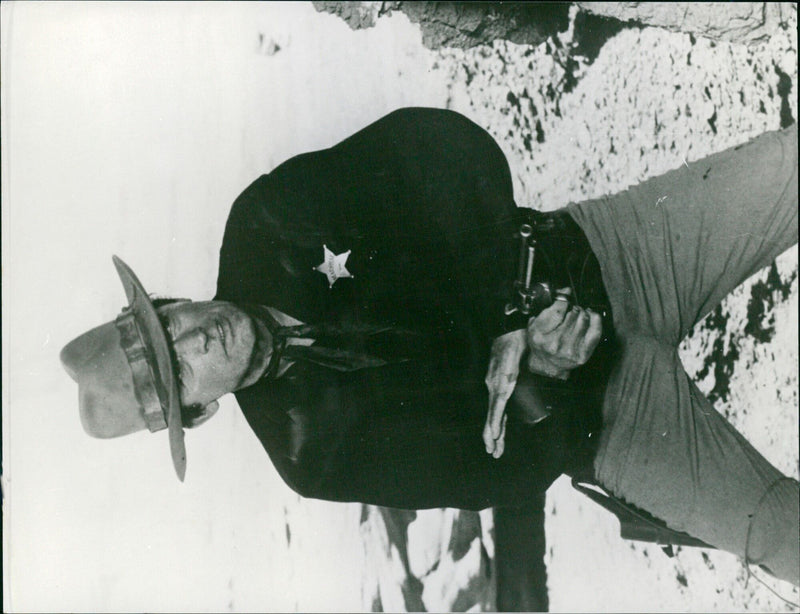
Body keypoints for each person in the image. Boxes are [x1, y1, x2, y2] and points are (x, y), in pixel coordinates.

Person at [61, 107, 799, 585]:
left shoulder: (264, 223)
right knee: (783, 535)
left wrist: (509, 313)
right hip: (617, 423)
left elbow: (439, 149)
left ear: (170, 300)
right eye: (180, 364)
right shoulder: (308, 451)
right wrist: (543, 374)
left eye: (172, 320)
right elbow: (492, 478)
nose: (197, 334)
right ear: (198, 412)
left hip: (616, 250)